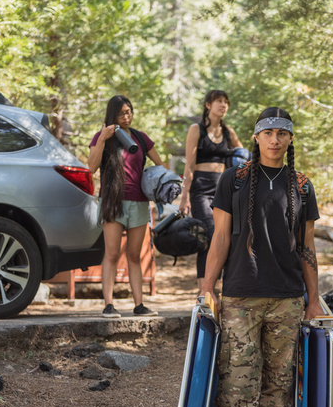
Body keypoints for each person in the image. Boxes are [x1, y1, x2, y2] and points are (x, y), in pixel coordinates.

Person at [199, 107, 322, 407]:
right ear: (256, 137)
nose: (274, 139)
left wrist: (313, 298)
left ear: (289, 139)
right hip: (241, 293)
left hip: (287, 297)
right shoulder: (234, 180)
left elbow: (307, 247)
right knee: (237, 374)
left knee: (281, 378)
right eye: (267, 132)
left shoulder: (301, 184)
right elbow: (220, 238)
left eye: (282, 133)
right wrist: (207, 288)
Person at [88, 95, 164, 318]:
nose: (127, 116)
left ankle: (139, 305)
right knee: (111, 254)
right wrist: (102, 138)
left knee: (134, 256)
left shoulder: (140, 138)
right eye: (122, 113)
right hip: (112, 202)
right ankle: (109, 305)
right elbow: (91, 168)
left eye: (129, 111)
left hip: (139, 202)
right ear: (112, 114)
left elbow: (159, 165)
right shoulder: (102, 138)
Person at [178, 90, 243, 292]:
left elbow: (243, 157)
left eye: (226, 102)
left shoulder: (228, 132)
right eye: (219, 101)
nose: (223, 105)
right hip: (201, 189)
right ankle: (204, 290)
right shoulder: (196, 129)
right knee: (208, 234)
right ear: (208, 105)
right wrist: (184, 196)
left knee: (226, 235)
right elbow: (189, 165)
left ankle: (221, 287)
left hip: (224, 189)